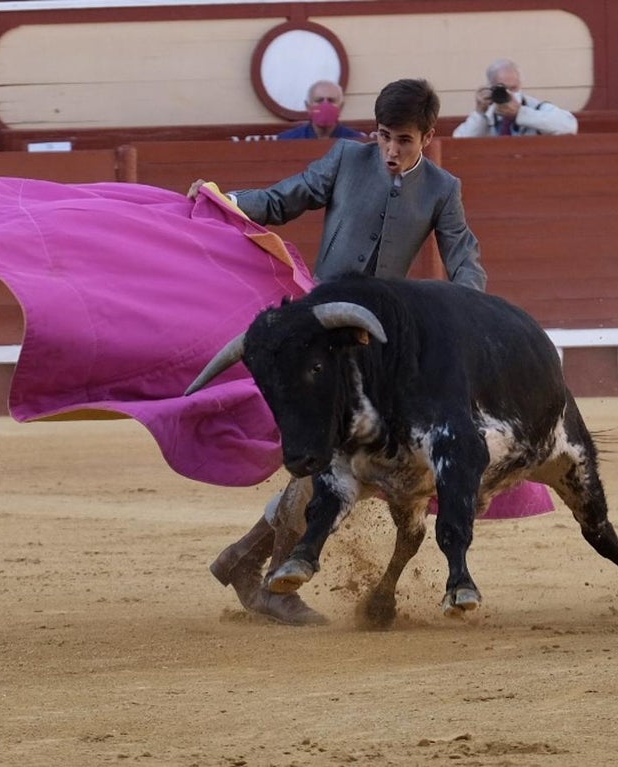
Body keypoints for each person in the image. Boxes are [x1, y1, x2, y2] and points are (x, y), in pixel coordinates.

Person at [188, 77, 487, 625]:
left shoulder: (443, 188)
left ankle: (245, 560)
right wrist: (226, 201)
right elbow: (283, 199)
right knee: (322, 455)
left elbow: (463, 257)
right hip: (317, 334)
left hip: (374, 345)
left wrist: (468, 313)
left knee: (342, 460)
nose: (392, 151)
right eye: (383, 138)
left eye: (404, 140)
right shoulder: (348, 159)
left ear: (427, 135)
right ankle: (266, 578)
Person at [452, 58, 577, 138]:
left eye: (513, 88)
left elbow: (569, 126)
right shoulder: (488, 113)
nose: (509, 94)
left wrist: (520, 113)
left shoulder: (536, 107)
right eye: (502, 88)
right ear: (491, 88)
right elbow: (458, 141)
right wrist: (480, 114)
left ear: (520, 86)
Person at [276, 80, 369, 141]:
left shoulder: (356, 141)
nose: (325, 105)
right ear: (308, 107)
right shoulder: (287, 140)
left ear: (341, 107)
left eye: (331, 100)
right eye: (319, 100)